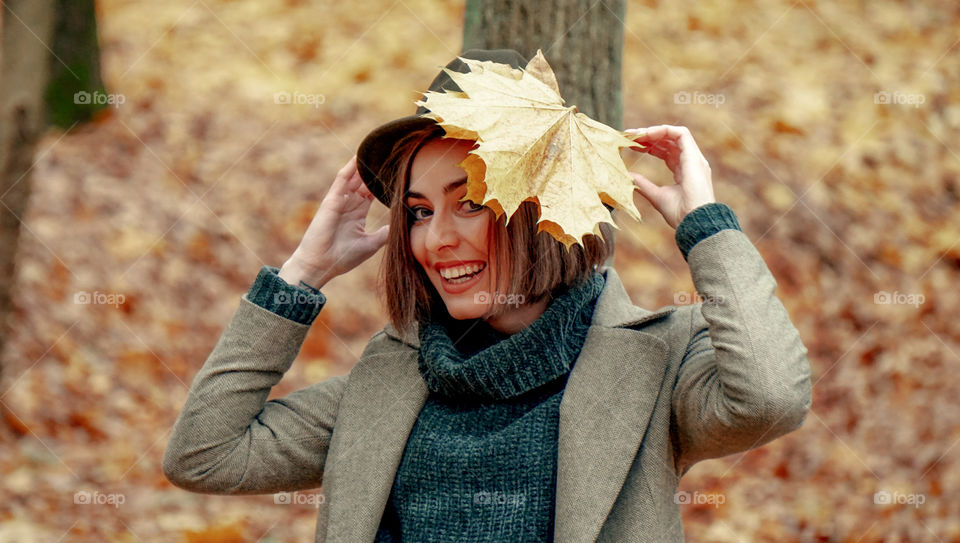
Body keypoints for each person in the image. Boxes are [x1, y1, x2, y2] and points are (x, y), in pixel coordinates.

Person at [163, 49, 812, 542]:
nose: (435, 239)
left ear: (546, 207)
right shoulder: (393, 374)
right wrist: (303, 273)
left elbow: (770, 396)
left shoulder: (654, 362)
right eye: (417, 212)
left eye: (469, 202)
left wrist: (707, 226)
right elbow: (205, 455)